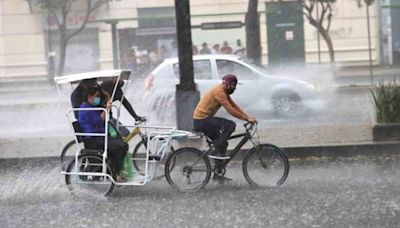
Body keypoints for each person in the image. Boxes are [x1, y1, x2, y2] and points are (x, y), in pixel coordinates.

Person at [193, 74, 256, 181]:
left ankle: (218, 174)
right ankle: (215, 149)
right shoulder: (219, 92)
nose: (235, 88)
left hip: (204, 120)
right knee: (230, 125)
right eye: (233, 85)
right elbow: (230, 110)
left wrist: (248, 117)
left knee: (223, 143)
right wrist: (246, 119)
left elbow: (234, 106)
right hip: (201, 121)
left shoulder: (223, 91)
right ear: (228, 84)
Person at [78, 86, 129, 182]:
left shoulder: (92, 106)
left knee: (121, 144)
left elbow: (106, 118)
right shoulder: (86, 109)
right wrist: (107, 108)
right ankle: (114, 174)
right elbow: (99, 120)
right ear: (89, 96)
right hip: (94, 139)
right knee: (122, 146)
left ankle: (113, 172)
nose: (98, 99)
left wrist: (106, 101)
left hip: (100, 137)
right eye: (96, 96)